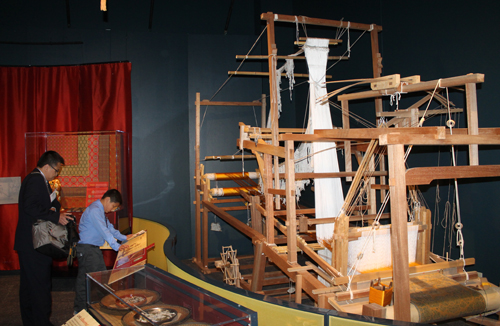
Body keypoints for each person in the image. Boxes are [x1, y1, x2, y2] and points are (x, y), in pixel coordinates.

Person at [14, 150, 74, 326]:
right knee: (39, 286)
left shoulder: (41, 180)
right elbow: (30, 207)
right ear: (47, 166)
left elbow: (52, 201)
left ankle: (31, 321)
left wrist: (56, 209)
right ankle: (41, 322)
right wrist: (56, 217)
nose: (57, 174)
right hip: (34, 244)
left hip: (29, 243)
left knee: (29, 286)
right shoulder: (35, 180)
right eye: (57, 170)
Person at [73, 189, 134, 314]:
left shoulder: (98, 210)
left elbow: (109, 228)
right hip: (88, 250)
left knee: (84, 282)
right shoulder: (95, 210)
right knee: (101, 281)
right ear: (107, 200)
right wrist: (116, 246)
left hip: (89, 250)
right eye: (113, 206)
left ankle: (80, 310)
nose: (112, 210)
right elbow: (104, 231)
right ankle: (106, 309)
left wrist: (124, 237)